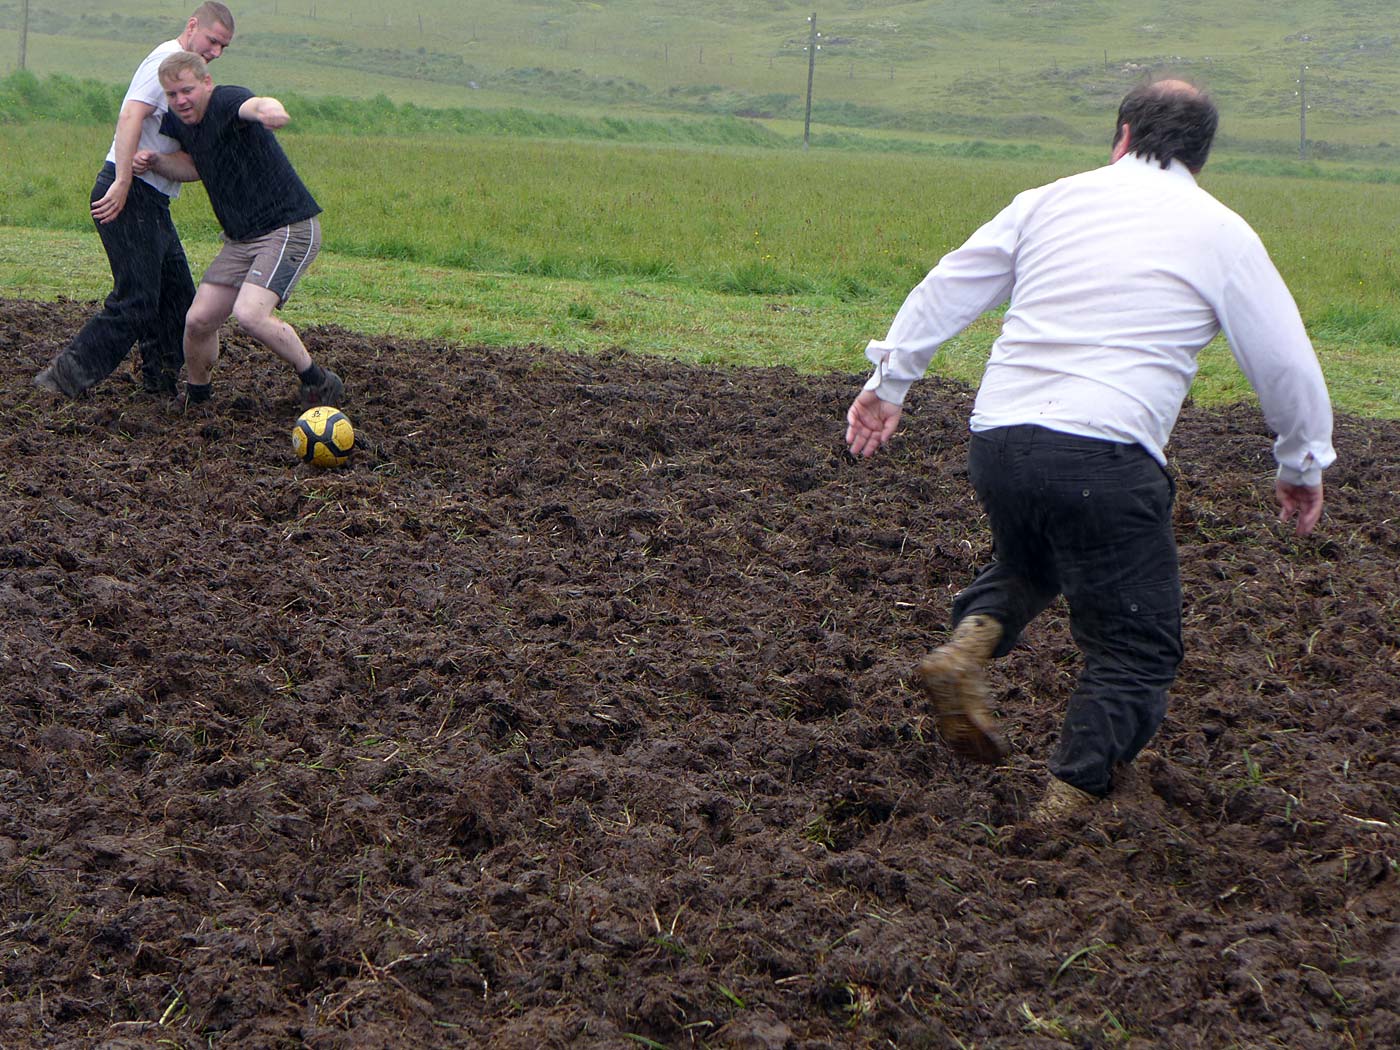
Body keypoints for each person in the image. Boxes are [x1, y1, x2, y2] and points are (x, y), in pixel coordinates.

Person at [844, 79, 1335, 822]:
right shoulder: (1221, 231)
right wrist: (1301, 464)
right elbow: (1287, 365)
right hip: (1105, 453)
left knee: (1032, 561)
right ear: (1201, 156)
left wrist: (891, 383)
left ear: (1124, 136)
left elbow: (953, 283)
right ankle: (1071, 799)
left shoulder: (1049, 199)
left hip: (1000, 440)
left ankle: (971, 645)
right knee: (1137, 645)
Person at [32, 4, 235, 400]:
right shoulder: (164, 62)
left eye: (224, 46)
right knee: (137, 299)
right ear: (193, 26)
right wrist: (123, 180)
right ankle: (61, 380)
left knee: (178, 300)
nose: (216, 51)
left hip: (153, 201)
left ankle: (158, 385)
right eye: (213, 41)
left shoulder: (186, 80)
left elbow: (190, 161)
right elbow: (130, 117)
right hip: (128, 192)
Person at [133, 50, 342, 411]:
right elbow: (192, 166)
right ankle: (198, 397)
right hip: (241, 239)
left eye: (187, 90)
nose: (181, 100)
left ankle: (319, 380)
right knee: (198, 320)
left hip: (288, 227)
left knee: (250, 314)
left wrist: (270, 109)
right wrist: (156, 162)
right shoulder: (179, 122)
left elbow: (255, 105)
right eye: (172, 95)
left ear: (206, 83)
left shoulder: (227, 100)